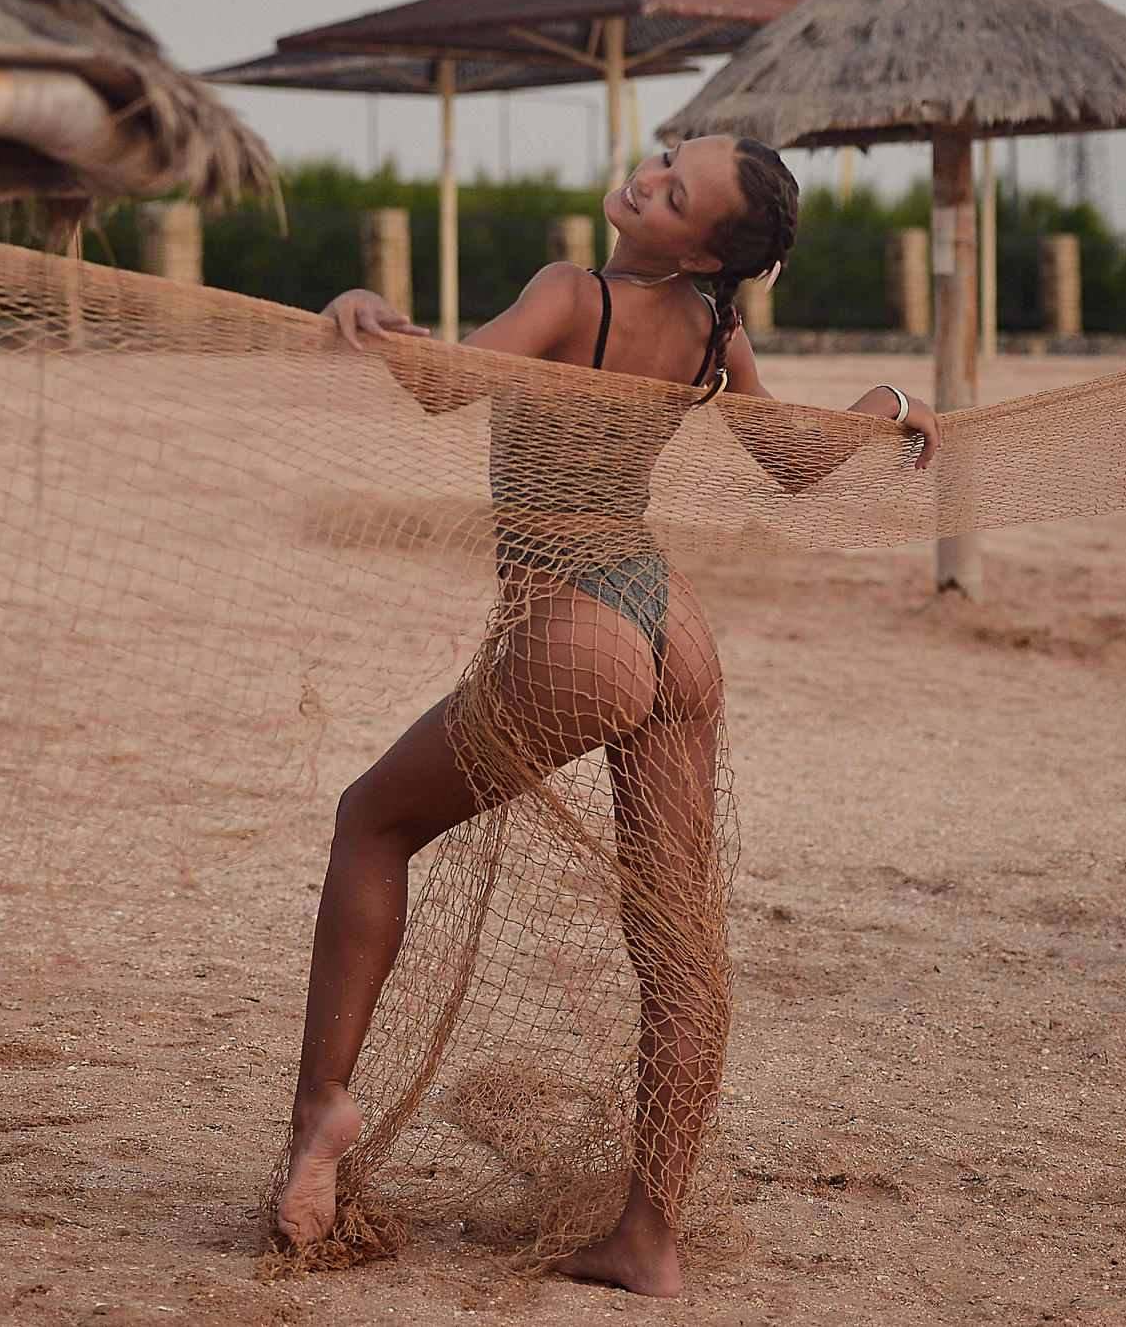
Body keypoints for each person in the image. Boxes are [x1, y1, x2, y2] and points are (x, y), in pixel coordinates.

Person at [274, 134, 939, 1297]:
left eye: (675, 193)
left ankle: (321, 1115)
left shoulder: (567, 292)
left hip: (576, 626)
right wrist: (883, 402)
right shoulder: (712, 326)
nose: (646, 180)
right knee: (677, 952)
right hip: (669, 625)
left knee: (369, 822)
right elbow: (789, 459)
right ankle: (649, 1239)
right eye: (663, 161)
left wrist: (360, 307)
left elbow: (440, 383)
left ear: (697, 245)